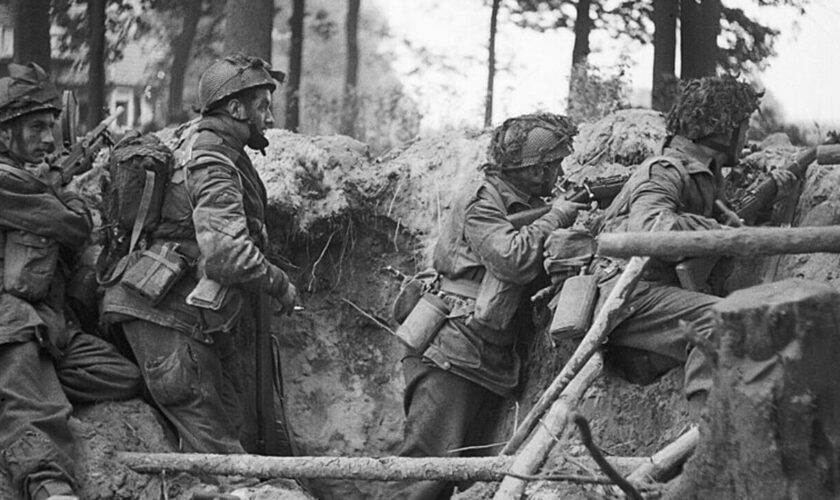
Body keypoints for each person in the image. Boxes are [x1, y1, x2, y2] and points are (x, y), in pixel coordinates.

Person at [380, 113, 585, 499]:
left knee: (454, 474)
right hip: (452, 350)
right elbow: (512, 258)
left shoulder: (526, 203)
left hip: (484, 353)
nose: (558, 171)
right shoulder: (483, 200)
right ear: (536, 168)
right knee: (424, 472)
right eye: (553, 164)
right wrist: (556, 216)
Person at [101, 54, 297, 453]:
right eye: (262, 106)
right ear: (235, 108)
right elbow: (227, 254)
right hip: (164, 319)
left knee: (236, 435)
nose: (270, 119)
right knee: (220, 459)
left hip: (186, 320)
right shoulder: (211, 160)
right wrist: (279, 284)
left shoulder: (215, 150)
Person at [584, 75, 796, 413]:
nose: (746, 136)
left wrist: (773, 203)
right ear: (723, 130)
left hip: (652, 295)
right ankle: (708, 433)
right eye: (743, 126)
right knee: (721, 320)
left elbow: (722, 229)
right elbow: (650, 229)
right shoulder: (664, 170)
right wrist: (713, 228)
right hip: (629, 293)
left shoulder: (706, 176)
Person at [0, 62, 141, 500]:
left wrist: (56, 181)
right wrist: (67, 190)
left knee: (123, 377)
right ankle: (48, 481)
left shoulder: (34, 179)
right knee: (29, 386)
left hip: (49, 323)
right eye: (36, 127)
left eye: (51, 126)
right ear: (5, 133)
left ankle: (18, 393)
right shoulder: (8, 181)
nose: (48, 138)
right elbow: (71, 224)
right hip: (10, 320)